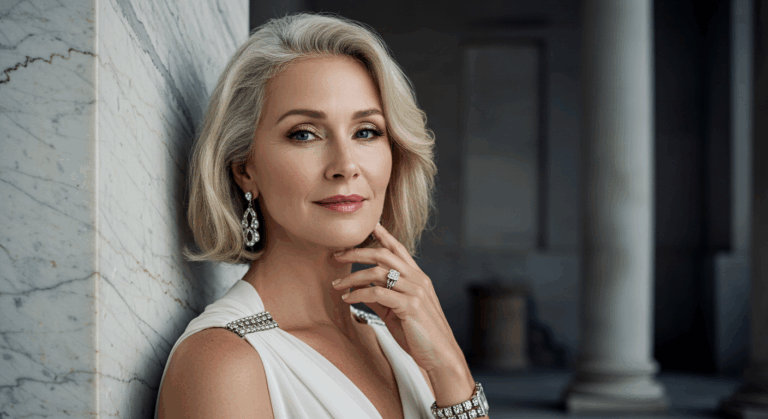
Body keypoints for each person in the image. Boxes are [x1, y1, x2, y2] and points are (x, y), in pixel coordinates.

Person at [155, 13, 490, 419]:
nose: (345, 165)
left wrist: (451, 369)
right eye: (304, 133)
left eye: (366, 131)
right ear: (245, 168)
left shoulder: (403, 340)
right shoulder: (225, 365)